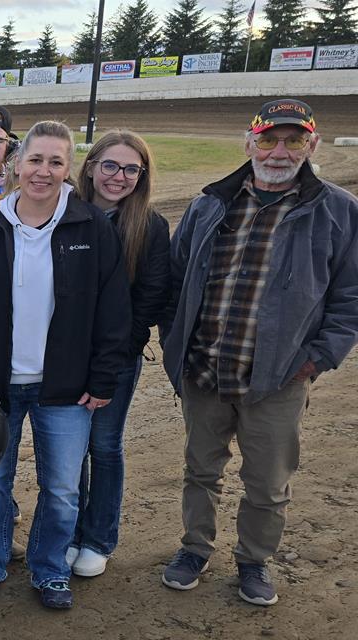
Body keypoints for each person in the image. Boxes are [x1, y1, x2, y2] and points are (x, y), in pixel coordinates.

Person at [159, 99, 358, 606]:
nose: (279, 151)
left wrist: (316, 359)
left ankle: (253, 561)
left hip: (279, 379)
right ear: (249, 143)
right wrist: (173, 340)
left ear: (312, 145)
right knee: (200, 471)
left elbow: (350, 299)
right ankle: (194, 549)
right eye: (268, 139)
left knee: (267, 485)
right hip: (204, 370)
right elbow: (175, 280)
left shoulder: (338, 211)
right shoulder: (209, 204)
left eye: (294, 140)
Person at [0, 121, 130, 609]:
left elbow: (114, 312)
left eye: (55, 162)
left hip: (65, 388)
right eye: (35, 160)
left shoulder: (92, 229)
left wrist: (103, 375)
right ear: (16, 164)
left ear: (70, 170)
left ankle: (50, 570)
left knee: (63, 488)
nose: (43, 171)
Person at [66, 130, 171, 577]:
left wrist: (114, 360)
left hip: (116, 359)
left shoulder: (149, 225)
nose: (119, 176)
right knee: (69, 451)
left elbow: (150, 300)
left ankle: (98, 538)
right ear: (90, 166)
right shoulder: (63, 213)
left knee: (104, 446)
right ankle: (68, 532)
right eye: (110, 165)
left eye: (131, 169)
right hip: (65, 356)